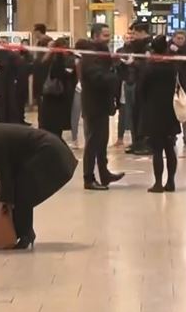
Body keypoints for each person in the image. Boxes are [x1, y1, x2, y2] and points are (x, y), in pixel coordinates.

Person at [79, 25, 124, 190]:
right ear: (96, 36)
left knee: (102, 141)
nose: (108, 38)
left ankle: (104, 173)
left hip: (102, 104)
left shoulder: (102, 54)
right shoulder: (91, 56)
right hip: (94, 104)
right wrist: (114, 76)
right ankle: (88, 178)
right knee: (93, 141)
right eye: (105, 35)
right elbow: (97, 78)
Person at [138, 36, 182, 193]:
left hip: (153, 112)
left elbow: (140, 90)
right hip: (170, 111)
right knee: (170, 147)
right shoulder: (172, 67)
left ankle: (157, 183)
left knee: (157, 150)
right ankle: (171, 181)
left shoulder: (148, 68)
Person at [120, 24, 152, 155]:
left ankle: (145, 143)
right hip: (133, 82)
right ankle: (136, 142)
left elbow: (148, 67)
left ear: (142, 32)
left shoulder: (149, 47)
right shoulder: (134, 46)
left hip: (145, 85)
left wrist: (134, 63)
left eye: (134, 34)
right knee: (134, 114)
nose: (132, 37)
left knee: (143, 114)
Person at [37, 37, 76, 142]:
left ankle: (66, 156)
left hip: (53, 99)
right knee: (53, 132)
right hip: (55, 98)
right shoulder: (56, 60)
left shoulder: (51, 60)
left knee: (51, 132)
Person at [169, 31, 186, 147]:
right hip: (171, 84)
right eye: (178, 38)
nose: (180, 40)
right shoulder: (167, 48)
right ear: (173, 38)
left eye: (182, 39)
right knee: (172, 111)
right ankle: (172, 134)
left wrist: (179, 51)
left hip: (185, 84)